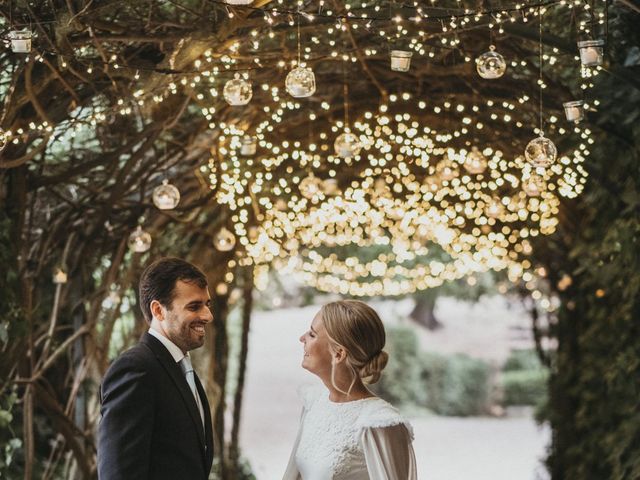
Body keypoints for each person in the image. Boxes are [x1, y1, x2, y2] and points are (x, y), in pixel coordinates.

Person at [98, 257, 214, 480]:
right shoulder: (136, 369)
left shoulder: (180, 367)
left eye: (207, 304)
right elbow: (119, 474)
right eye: (194, 306)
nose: (207, 316)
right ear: (158, 311)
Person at [283, 300, 418, 479]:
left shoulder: (377, 423)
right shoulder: (314, 403)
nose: (302, 338)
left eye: (312, 334)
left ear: (338, 353)